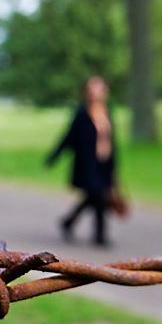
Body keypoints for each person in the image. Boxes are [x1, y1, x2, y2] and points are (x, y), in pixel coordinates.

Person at [45, 76, 118, 247]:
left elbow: (112, 141)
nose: (95, 93)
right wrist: (54, 156)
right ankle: (100, 235)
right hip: (88, 164)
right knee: (97, 196)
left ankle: (68, 222)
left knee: (94, 197)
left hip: (104, 164)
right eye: (92, 89)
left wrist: (114, 166)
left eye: (99, 88)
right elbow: (69, 137)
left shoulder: (107, 112)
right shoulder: (82, 113)